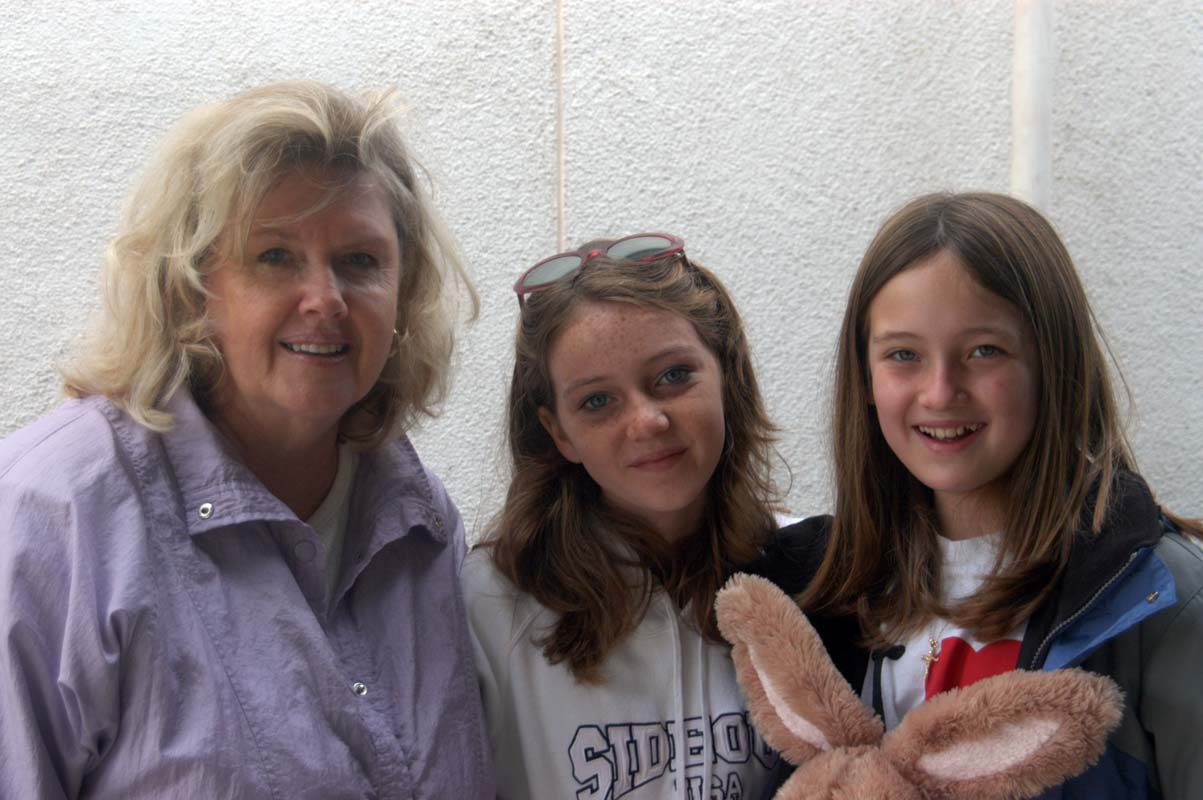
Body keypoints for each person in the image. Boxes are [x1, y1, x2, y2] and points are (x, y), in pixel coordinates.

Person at [0, 81, 494, 798]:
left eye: (360, 261)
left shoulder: (420, 523)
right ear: (193, 287)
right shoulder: (53, 514)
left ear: (402, 292)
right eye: (275, 256)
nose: (324, 299)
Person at [749, 192, 1203, 799]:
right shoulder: (814, 588)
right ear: (866, 378)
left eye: (984, 351)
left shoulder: (1160, 598)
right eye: (903, 354)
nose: (940, 392)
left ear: (1054, 363)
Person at [463, 234, 784, 800]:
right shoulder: (490, 602)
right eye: (596, 401)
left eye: (673, 376)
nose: (646, 421)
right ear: (559, 432)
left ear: (726, 376)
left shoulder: (807, 569)